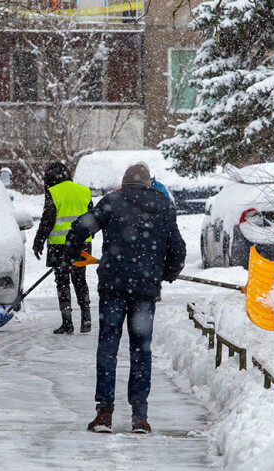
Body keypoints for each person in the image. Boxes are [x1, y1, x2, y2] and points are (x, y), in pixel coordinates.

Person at [64, 162, 186, 433]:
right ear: (148, 183)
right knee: (141, 350)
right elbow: (178, 249)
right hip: (145, 290)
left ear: (125, 182)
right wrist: (165, 273)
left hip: (113, 287)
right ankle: (139, 417)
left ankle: (104, 413)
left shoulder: (112, 201)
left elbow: (80, 227)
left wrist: (72, 253)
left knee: (108, 347)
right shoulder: (164, 205)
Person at [33, 162, 93, 334]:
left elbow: (47, 220)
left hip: (59, 246)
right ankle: (86, 319)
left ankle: (67, 322)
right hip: (82, 243)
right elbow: (93, 215)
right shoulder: (84, 191)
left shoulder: (54, 192)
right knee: (80, 280)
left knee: (62, 282)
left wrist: (38, 242)